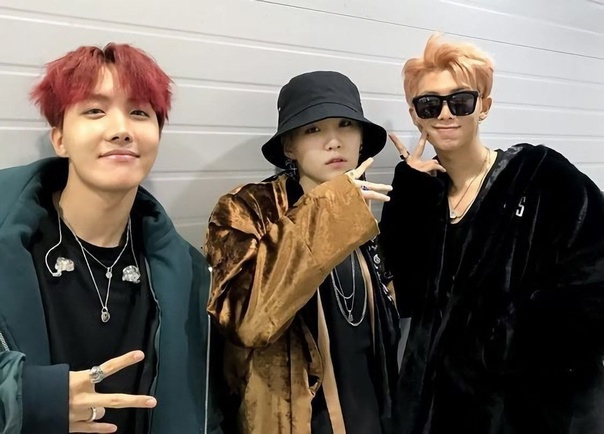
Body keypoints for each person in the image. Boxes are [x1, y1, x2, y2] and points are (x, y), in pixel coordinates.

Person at [380, 35, 604, 433]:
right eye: (429, 104)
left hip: (528, 411)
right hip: (438, 412)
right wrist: (409, 196)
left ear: (483, 106)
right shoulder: (423, 198)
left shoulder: (539, 174)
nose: (445, 114)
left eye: (461, 101)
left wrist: (507, 336)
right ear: (415, 115)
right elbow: (404, 296)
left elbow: (595, 275)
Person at [0, 43, 222, 434]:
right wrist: (30, 398)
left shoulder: (188, 273)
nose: (121, 130)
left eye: (139, 112)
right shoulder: (11, 238)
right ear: (60, 139)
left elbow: (205, 408)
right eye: (94, 110)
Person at [205, 71, 400, 434]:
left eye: (346, 125)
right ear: (289, 146)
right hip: (297, 420)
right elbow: (247, 322)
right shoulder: (248, 208)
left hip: (369, 414)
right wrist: (328, 210)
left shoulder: (365, 211)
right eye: (313, 129)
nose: (334, 141)